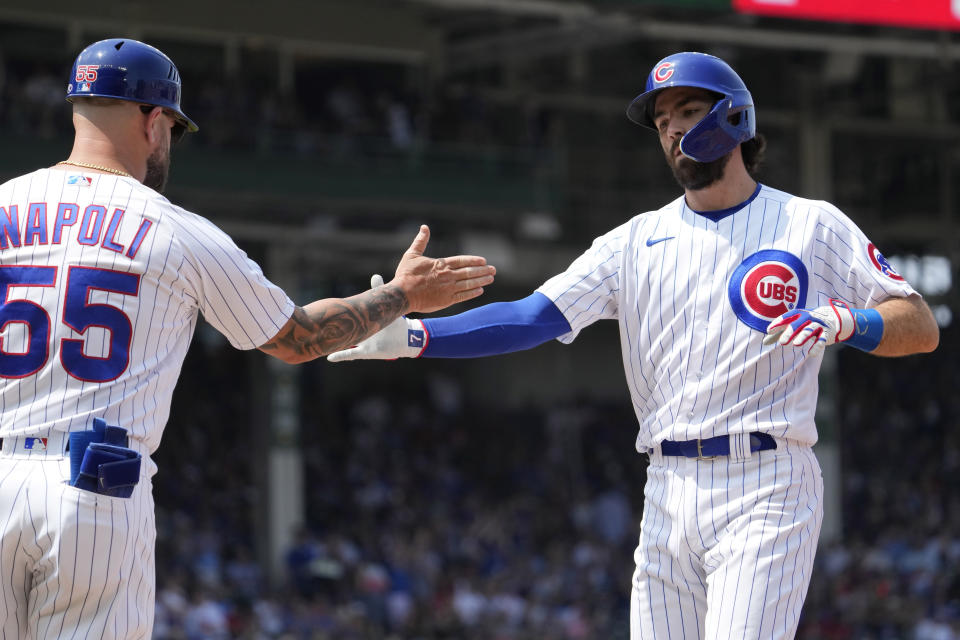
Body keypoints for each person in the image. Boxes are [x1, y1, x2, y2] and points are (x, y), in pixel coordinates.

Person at [328, 51, 940, 638]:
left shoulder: (811, 223)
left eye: (688, 111)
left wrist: (850, 322)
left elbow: (920, 324)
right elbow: (533, 316)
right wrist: (413, 336)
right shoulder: (634, 241)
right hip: (667, 482)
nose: (672, 130)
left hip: (769, 478)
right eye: (663, 121)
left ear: (734, 116)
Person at [0, 38, 495, 639]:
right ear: (153, 121)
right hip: (94, 490)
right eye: (173, 130)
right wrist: (401, 295)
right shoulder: (175, 230)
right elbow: (299, 338)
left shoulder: (5, 204)